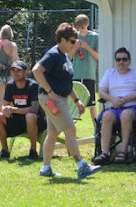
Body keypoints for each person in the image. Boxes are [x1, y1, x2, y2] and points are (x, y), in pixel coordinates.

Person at [32, 23, 101, 179]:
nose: (74, 43)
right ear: (62, 39)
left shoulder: (64, 56)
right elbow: (36, 70)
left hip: (58, 98)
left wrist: (77, 100)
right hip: (52, 99)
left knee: (52, 133)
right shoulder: (54, 54)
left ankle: (46, 168)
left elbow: (66, 83)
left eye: (76, 40)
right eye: (71, 41)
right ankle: (81, 166)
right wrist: (50, 92)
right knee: (70, 130)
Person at [93, 48, 136, 164]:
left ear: (129, 61)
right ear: (115, 61)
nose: (121, 62)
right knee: (106, 116)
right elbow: (102, 91)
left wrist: (125, 99)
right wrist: (113, 99)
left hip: (132, 108)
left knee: (125, 114)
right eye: (118, 59)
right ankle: (105, 153)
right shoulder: (109, 73)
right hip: (114, 108)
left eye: (124, 59)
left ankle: (123, 152)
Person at [0, 60, 46, 161]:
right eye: (13, 70)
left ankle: (33, 151)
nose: (15, 73)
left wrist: (13, 110)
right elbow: (6, 105)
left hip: (36, 121)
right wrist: (6, 110)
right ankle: (5, 151)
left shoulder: (33, 86)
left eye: (19, 70)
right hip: (18, 120)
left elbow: (34, 110)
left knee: (29, 116)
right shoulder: (10, 85)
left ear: (25, 72)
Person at [69, 14, 99, 126]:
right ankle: (70, 128)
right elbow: (69, 57)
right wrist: (75, 47)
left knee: (92, 106)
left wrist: (87, 47)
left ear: (87, 24)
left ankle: (97, 129)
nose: (80, 30)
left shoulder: (94, 37)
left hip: (89, 74)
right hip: (75, 75)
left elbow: (98, 56)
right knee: (73, 104)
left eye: (83, 27)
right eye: (78, 27)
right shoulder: (73, 37)